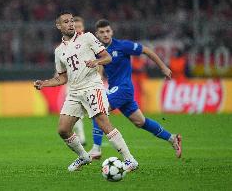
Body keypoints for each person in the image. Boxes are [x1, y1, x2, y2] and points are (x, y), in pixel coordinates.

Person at [34, 12, 138, 172]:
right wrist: (45, 83)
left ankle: (130, 160)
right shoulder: (59, 51)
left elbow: (107, 57)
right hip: (74, 92)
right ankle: (84, 156)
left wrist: (96, 61)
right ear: (58, 26)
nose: (70, 24)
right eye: (66, 22)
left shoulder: (87, 37)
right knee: (63, 129)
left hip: (92, 87)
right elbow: (62, 78)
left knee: (103, 122)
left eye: (72, 21)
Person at [88, 19, 182, 159]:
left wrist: (163, 67)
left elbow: (147, 51)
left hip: (124, 88)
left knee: (98, 109)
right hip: (117, 89)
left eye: (108, 31)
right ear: (97, 34)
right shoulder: (98, 51)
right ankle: (172, 138)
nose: (106, 34)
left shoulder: (122, 46)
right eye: (102, 32)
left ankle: (96, 149)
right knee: (140, 122)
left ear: (112, 32)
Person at [72, 16, 86, 146]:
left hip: (89, 83)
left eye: (79, 27)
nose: (78, 30)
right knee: (75, 112)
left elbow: (100, 60)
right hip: (73, 84)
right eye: (75, 28)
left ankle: (97, 144)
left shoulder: (89, 41)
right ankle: (81, 136)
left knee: (98, 113)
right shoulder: (66, 45)